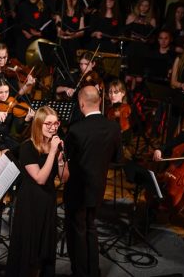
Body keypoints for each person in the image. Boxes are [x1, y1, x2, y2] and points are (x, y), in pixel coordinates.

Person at [63, 85, 122, 277]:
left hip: (77, 189)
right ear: (99, 101)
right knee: (90, 227)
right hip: (98, 188)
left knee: (77, 231)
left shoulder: (76, 130)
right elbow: (118, 159)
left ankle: (80, 273)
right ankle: (92, 272)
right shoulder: (113, 127)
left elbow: (67, 160)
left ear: (81, 104)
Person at [6, 105, 69, 277]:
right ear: (38, 125)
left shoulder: (56, 148)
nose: (53, 127)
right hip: (30, 202)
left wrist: (62, 160)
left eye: (55, 123)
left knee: (45, 247)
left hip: (48, 201)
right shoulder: (28, 147)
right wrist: (53, 153)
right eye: (48, 124)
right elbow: (40, 178)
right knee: (29, 247)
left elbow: (64, 178)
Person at [106, 79, 131, 144]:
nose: (112, 95)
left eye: (116, 92)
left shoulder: (126, 108)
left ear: (123, 93)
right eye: (110, 92)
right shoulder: (108, 109)